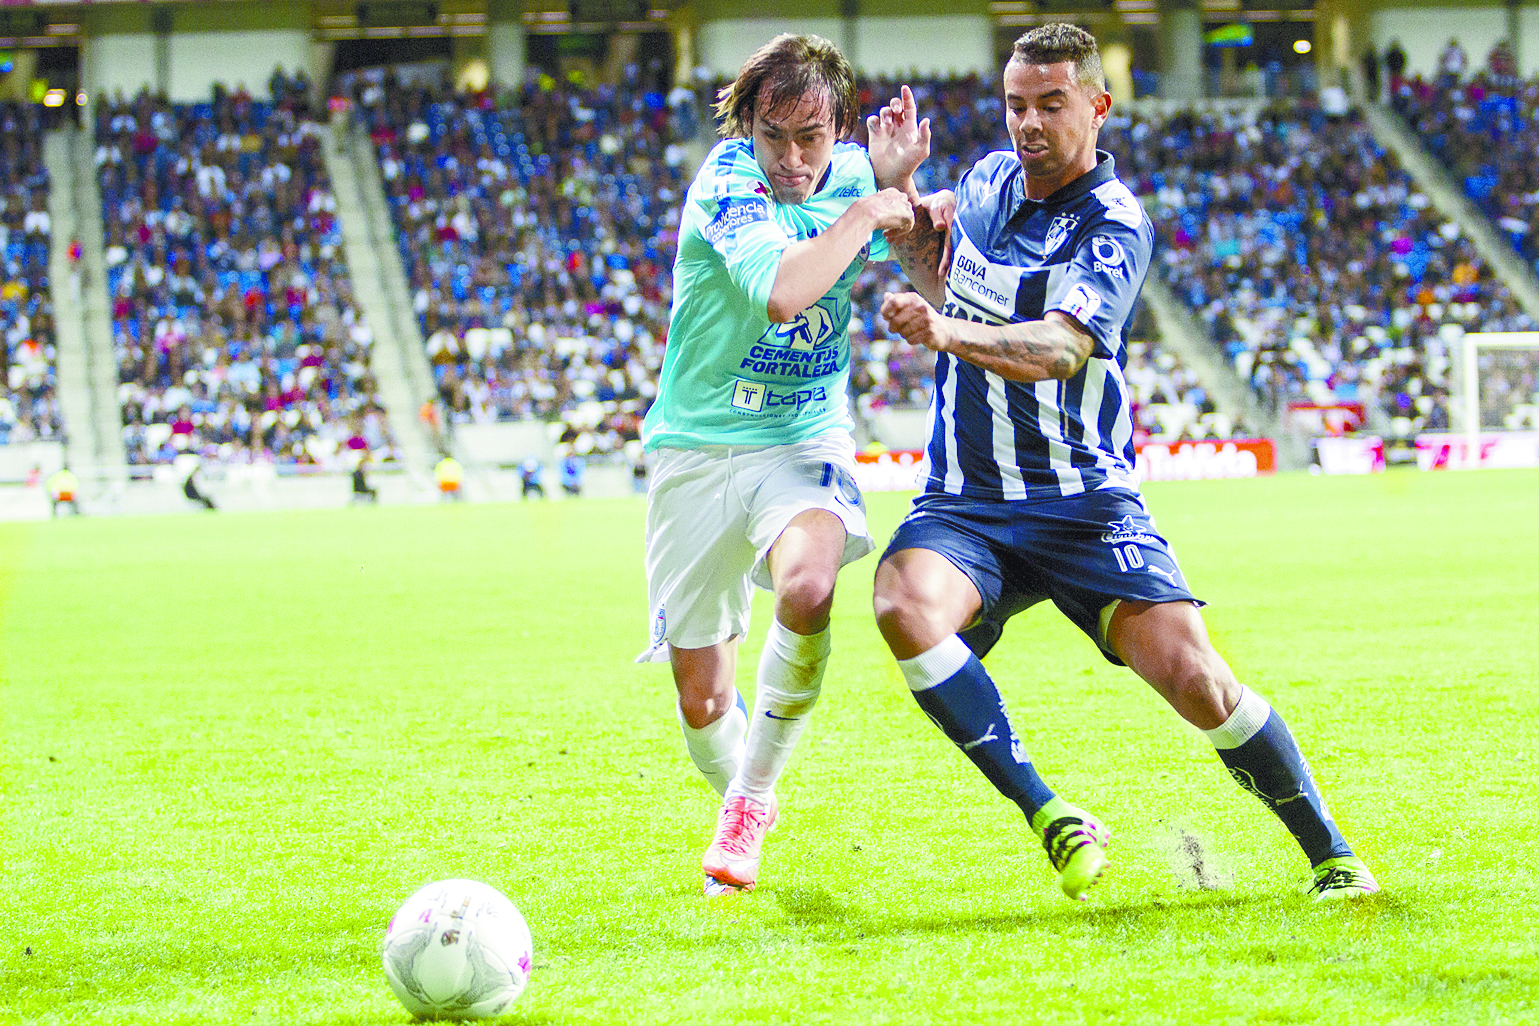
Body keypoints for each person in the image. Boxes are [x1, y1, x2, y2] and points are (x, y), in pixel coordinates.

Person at [870, 23, 1378, 902]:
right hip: (967, 501)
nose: (1028, 123)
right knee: (901, 606)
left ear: (1097, 106)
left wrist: (946, 333)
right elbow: (937, 278)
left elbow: (1064, 349)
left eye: (1050, 105)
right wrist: (902, 191)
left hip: (1085, 502)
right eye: (1015, 105)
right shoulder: (987, 181)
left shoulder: (1113, 222)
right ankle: (1049, 813)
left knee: (1197, 681)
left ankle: (1331, 854)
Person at [636, 32, 918, 896]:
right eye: (774, 137)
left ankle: (749, 805)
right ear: (747, 128)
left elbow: (922, 263)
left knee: (807, 586)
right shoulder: (727, 180)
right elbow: (783, 290)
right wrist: (874, 205)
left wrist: (898, 186)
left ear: (838, 128)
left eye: (811, 138)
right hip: (696, 445)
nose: (792, 159)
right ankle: (745, 801)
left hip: (802, 435)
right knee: (702, 702)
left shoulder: (857, 178)